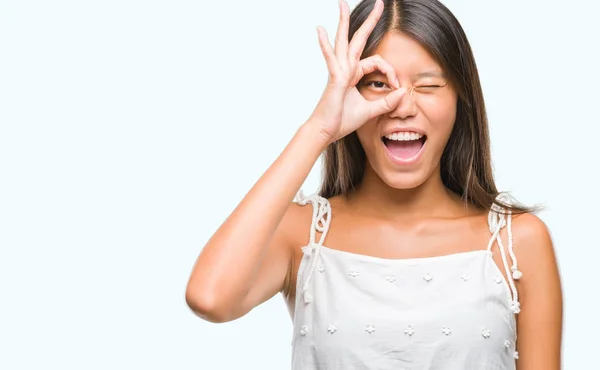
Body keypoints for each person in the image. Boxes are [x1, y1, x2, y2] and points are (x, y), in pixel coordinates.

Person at [185, 0, 563, 368]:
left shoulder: (518, 242)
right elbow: (209, 298)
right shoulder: (302, 233)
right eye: (379, 84)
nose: (401, 105)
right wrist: (319, 129)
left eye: (428, 84)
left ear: (461, 98)